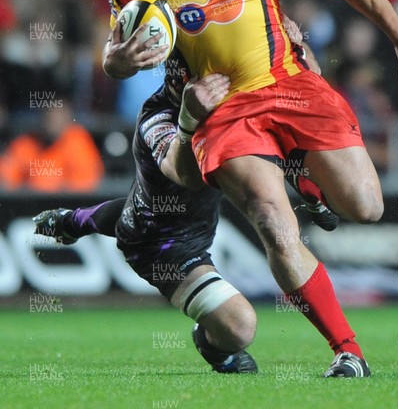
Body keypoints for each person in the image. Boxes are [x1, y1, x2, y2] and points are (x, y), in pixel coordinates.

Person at [101, 0, 398, 377]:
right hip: (220, 109)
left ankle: (299, 171)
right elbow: (114, 54)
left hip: (290, 85)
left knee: (365, 207)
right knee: (272, 220)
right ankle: (348, 351)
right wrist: (119, 61)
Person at [33, 55, 337, 375]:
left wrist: (312, 195)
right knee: (241, 327)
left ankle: (74, 220)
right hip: (162, 248)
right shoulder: (158, 114)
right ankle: (213, 345)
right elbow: (183, 172)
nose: (214, 86)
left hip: (174, 220)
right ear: (178, 80)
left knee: (147, 208)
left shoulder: (235, 106)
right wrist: (190, 120)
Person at [0, 100, 104, 192]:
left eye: (58, 118)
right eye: (49, 117)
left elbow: (85, 184)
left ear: (67, 120)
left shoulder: (78, 143)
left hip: (66, 208)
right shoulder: (28, 143)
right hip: (30, 207)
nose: (52, 122)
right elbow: (6, 177)